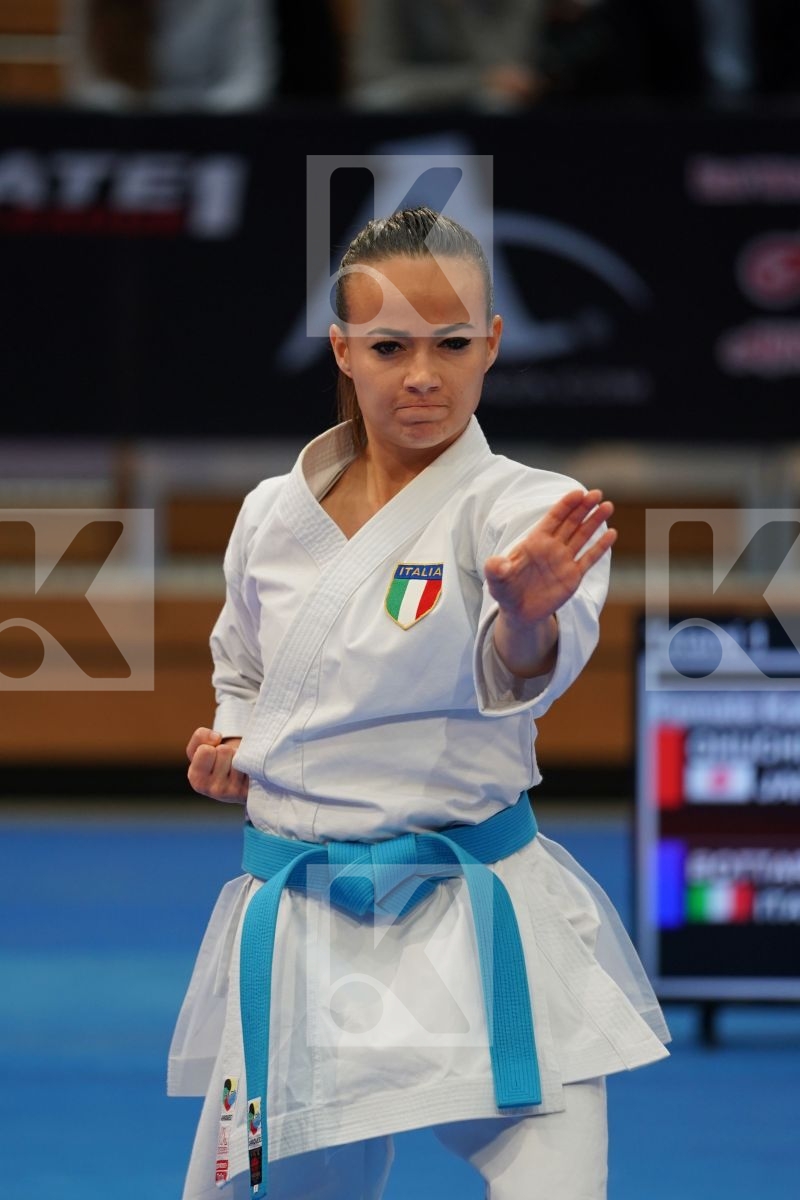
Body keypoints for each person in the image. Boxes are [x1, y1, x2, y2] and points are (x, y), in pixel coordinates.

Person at [170, 207, 670, 1200]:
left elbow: (525, 667)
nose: (423, 376)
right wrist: (231, 745)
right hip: (303, 930)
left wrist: (524, 616)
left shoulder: (528, 509)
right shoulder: (271, 514)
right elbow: (243, 671)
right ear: (342, 350)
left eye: (452, 344)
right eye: (390, 347)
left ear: (494, 342)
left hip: (476, 921)